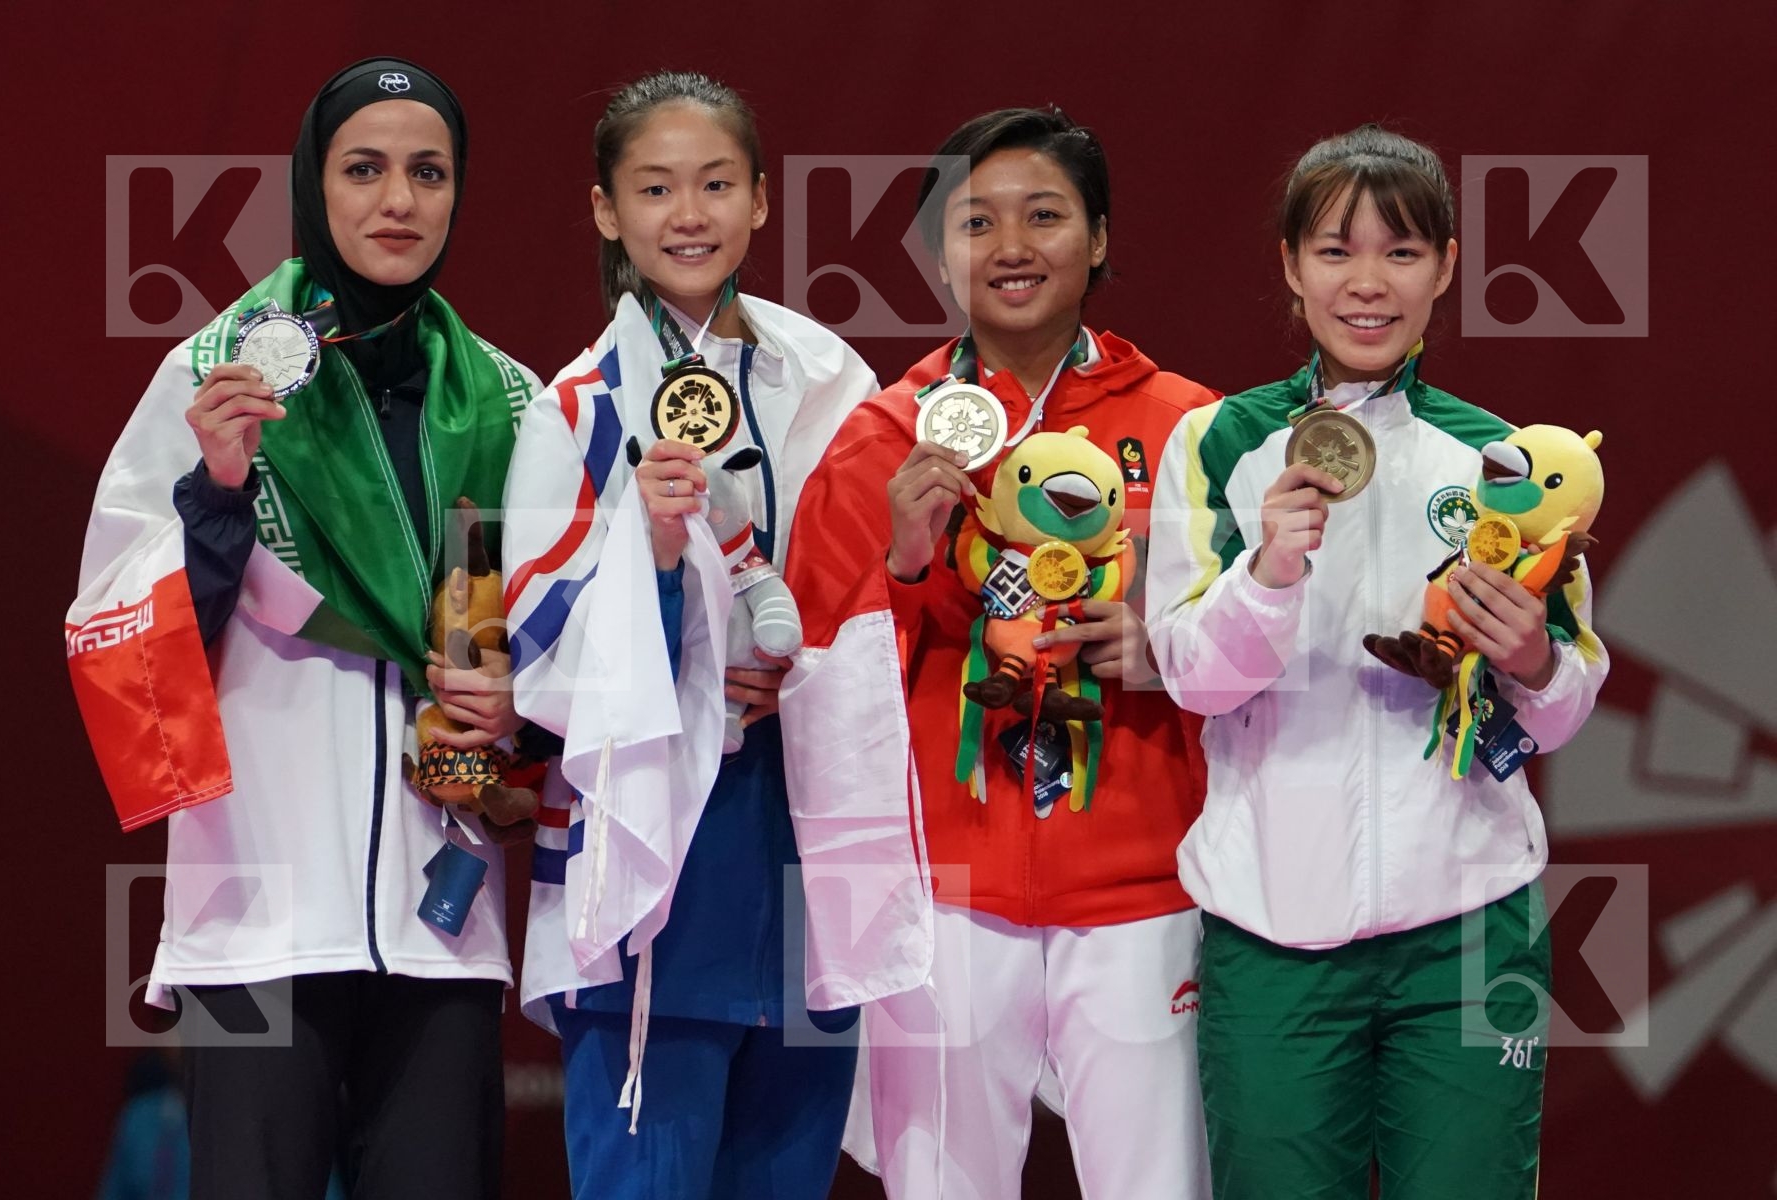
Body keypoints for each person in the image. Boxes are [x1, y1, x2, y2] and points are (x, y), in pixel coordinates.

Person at [68, 57, 540, 1200]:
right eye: (364, 168)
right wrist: (220, 493)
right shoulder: (216, 378)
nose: (398, 200)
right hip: (257, 911)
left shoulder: (517, 402)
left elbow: (563, 633)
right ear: (311, 185)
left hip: (443, 906)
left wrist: (522, 709)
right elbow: (118, 635)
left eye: (428, 172)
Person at [1144, 124, 1609, 1198]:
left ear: (1447, 266)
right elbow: (1195, 678)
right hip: (1270, 923)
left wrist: (1533, 657)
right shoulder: (1221, 442)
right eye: (1336, 251)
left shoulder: (1506, 459)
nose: (1368, 283)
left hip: (1466, 923)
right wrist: (1267, 574)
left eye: (1401, 252)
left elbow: (1565, 703)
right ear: (1290, 268)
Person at [782, 106, 1216, 1200]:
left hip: (1142, 887)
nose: (1012, 245)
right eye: (977, 221)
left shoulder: (1193, 430)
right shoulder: (887, 435)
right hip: (950, 891)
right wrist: (911, 561)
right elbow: (810, 667)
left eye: (1046, 215)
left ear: (1102, 237)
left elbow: (1259, 648)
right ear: (939, 253)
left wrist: (1163, 651)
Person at [502, 71, 878, 1200]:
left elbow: (872, 597)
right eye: (655, 188)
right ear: (608, 212)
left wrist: (796, 669)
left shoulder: (831, 380)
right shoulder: (574, 408)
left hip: (809, 852)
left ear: (762, 200)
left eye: (717, 184)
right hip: (656, 877)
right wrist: (660, 567)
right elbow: (539, 642)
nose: (690, 213)